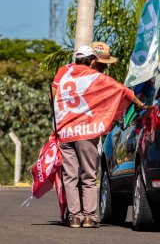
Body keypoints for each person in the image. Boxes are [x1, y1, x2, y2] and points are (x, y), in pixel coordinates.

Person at [51, 43, 146, 228]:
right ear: (92, 60)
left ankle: (74, 218)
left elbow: (53, 95)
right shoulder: (95, 77)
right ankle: (88, 217)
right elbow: (122, 90)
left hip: (65, 131)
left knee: (70, 176)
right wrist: (141, 105)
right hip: (86, 131)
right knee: (88, 175)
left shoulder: (65, 72)